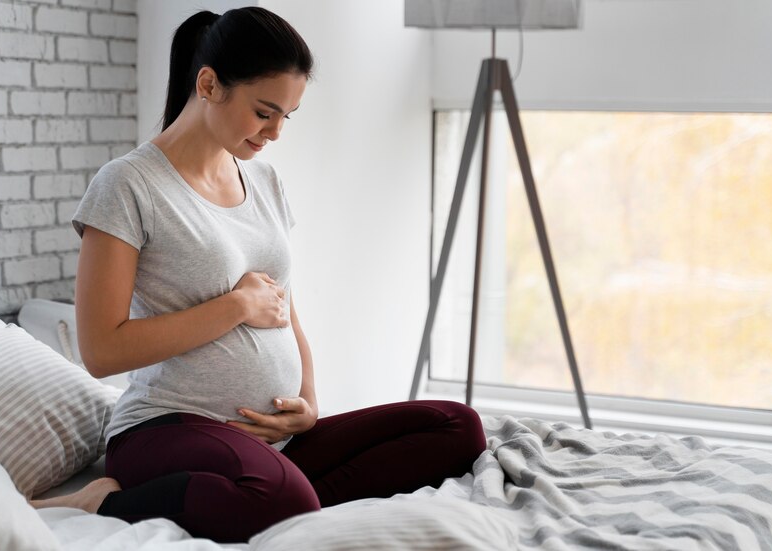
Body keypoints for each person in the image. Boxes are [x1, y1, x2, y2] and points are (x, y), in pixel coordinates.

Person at [30, 6, 486, 544]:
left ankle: (279, 494)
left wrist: (308, 406)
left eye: (286, 117)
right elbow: (101, 350)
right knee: (282, 499)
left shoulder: (265, 182)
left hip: (271, 437)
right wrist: (235, 307)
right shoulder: (128, 185)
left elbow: (287, 308)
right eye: (264, 112)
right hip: (167, 427)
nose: (274, 132)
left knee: (457, 427)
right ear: (209, 84)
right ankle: (107, 501)